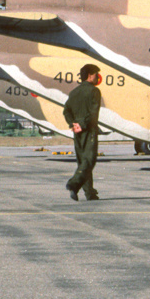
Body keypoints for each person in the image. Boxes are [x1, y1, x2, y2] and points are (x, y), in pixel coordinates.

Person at [63, 64, 104, 201]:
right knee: (89, 159)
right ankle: (73, 184)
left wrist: (73, 124)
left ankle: (89, 193)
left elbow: (66, 111)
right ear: (90, 75)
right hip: (89, 129)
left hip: (77, 131)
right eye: (96, 74)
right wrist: (83, 124)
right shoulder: (94, 91)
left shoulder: (74, 92)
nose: (98, 77)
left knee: (83, 161)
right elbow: (93, 113)